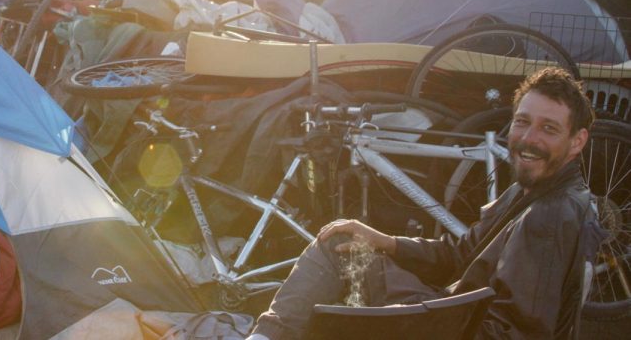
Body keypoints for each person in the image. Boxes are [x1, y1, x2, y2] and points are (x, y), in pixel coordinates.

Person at [248, 67, 600, 339]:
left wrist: (413, 322)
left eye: (549, 129)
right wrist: (384, 241)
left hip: (445, 325)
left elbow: (516, 333)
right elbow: (459, 255)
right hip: (448, 312)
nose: (528, 139)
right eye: (522, 122)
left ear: (577, 141)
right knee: (347, 241)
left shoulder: (549, 216)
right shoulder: (535, 188)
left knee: (336, 248)